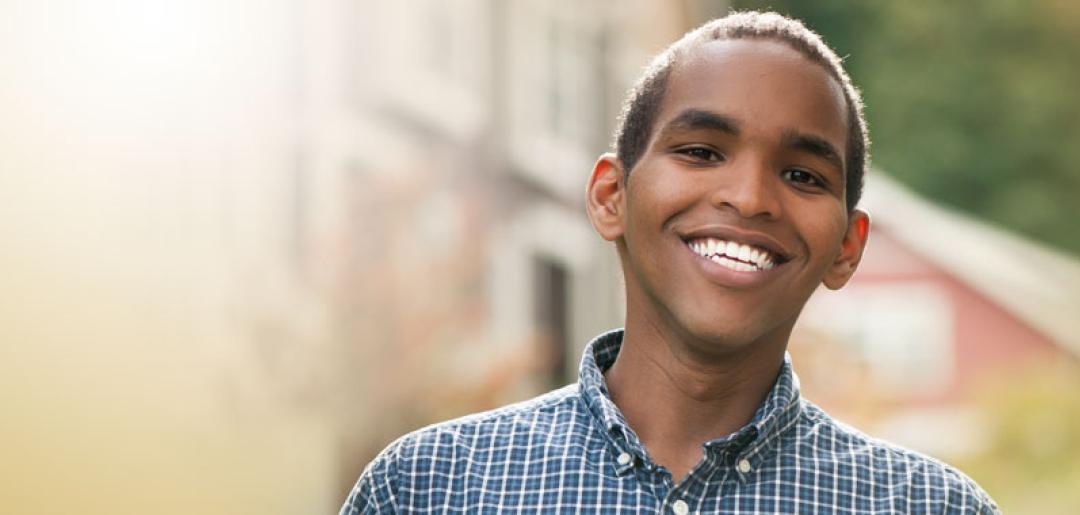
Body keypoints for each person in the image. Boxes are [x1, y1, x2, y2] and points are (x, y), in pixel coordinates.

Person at [341, 11, 999, 514]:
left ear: (848, 246)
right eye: (701, 151)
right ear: (611, 196)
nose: (748, 197)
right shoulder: (430, 487)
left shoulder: (929, 505)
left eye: (801, 173)